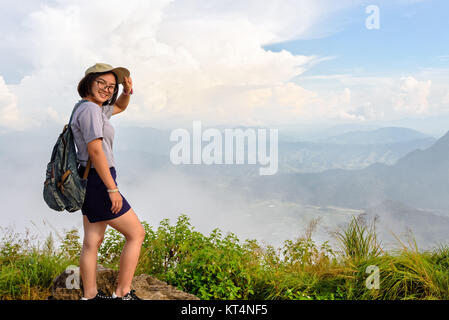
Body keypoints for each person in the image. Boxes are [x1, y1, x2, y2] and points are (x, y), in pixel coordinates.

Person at [70, 63, 145, 300]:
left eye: (111, 86)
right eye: (101, 82)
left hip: (88, 177)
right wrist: (112, 188)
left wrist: (126, 91)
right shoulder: (91, 111)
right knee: (136, 234)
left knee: (92, 240)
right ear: (89, 82)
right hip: (100, 180)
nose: (107, 89)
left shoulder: (89, 108)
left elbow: (120, 106)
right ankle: (122, 293)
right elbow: (95, 151)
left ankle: (90, 296)